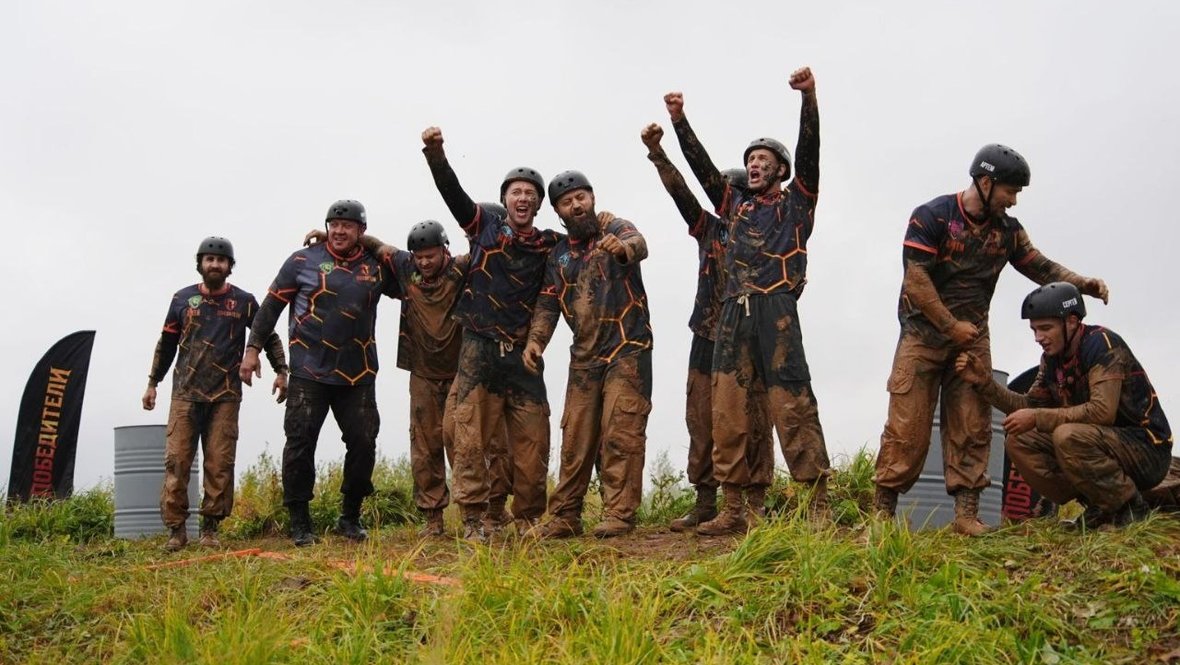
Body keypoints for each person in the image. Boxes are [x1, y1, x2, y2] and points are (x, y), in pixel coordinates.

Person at [874, 145, 1111, 536]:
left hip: (972, 341)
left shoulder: (1007, 231)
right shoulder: (932, 216)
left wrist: (1081, 284)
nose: (1013, 201)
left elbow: (1041, 266)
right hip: (923, 336)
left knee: (972, 423)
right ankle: (881, 517)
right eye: (1010, 191)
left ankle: (966, 515)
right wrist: (950, 327)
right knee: (907, 428)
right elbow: (915, 281)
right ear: (985, 183)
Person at [664, 67, 831, 535]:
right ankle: (735, 508)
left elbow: (810, 152)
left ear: (780, 169)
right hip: (733, 312)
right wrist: (679, 121)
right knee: (728, 410)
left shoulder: (797, 204)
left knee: (793, 404)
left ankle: (816, 502)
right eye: (750, 159)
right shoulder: (733, 206)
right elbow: (700, 170)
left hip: (777, 309)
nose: (755, 164)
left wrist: (809, 98)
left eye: (764, 159)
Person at [420, 127, 562, 541]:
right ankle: (473, 520)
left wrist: (537, 342)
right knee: (468, 437)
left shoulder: (549, 244)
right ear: (504, 200)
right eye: (516, 192)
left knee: (534, 442)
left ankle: (529, 519)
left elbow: (551, 296)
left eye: (530, 194)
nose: (523, 198)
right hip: (479, 348)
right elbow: (454, 195)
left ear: (538, 204)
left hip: (522, 356)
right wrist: (436, 155)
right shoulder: (484, 228)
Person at [639, 122, 774, 531]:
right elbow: (681, 191)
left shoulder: (765, 229)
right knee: (700, 418)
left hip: (751, 334)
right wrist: (659, 154)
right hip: (707, 333)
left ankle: (754, 502)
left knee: (753, 418)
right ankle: (705, 500)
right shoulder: (709, 230)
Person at [240, 200, 399, 546]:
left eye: (348, 225)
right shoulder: (302, 260)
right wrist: (252, 351)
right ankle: (300, 522)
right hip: (309, 372)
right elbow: (269, 309)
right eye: (334, 224)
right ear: (326, 226)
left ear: (361, 231)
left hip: (359, 374)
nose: (339, 230)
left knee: (363, 443)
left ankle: (350, 517)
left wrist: (374, 245)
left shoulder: (375, 266)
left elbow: (408, 277)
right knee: (299, 444)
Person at [956, 282, 1172, 529]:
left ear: (1071, 322)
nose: (1039, 338)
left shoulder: (1102, 345)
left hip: (1147, 450)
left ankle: (1131, 509)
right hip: (1099, 445)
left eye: (1046, 328)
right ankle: (1099, 506)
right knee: (1020, 440)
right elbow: (1028, 406)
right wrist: (984, 383)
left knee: (1067, 435)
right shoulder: (1051, 360)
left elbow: (1102, 412)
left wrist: (1037, 416)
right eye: (1034, 330)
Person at [523, 171, 653, 538]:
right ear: (558, 212)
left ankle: (619, 514)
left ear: (592, 197)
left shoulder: (613, 226)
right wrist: (536, 341)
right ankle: (565, 516)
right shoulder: (559, 255)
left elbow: (639, 243)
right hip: (584, 356)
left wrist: (623, 249)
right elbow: (548, 301)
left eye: (581, 197)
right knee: (575, 437)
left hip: (629, 348)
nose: (576, 204)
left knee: (621, 431)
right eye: (567, 202)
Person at [143, 236, 288, 552]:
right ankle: (176, 531)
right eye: (209, 259)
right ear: (200, 264)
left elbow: (267, 334)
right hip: (184, 394)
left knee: (219, 463)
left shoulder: (244, 302)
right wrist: (153, 382)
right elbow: (166, 344)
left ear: (229, 267)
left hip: (225, 396)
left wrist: (282, 370)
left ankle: (210, 529)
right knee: (177, 462)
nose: (215, 264)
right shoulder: (182, 300)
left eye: (221, 260)